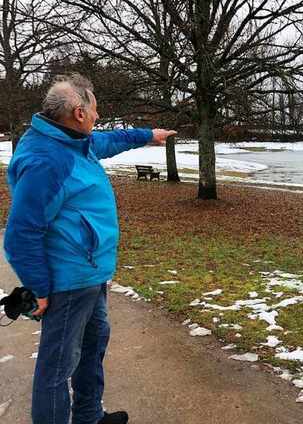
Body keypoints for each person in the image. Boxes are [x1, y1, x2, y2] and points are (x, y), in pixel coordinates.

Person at [3, 74, 177, 424]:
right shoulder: (48, 159)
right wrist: (39, 288)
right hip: (69, 280)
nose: (98, 117)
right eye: (95, 110)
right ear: (79, 113)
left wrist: (148, 135)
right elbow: (20, 235)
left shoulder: (71, 142)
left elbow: (109, 141)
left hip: (91, 272)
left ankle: (89, 416)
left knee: (93, 346)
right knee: (57, 368)